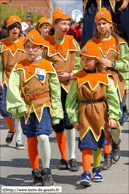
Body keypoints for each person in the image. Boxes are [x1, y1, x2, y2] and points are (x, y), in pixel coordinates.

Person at [6, 29, 63, 186]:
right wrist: (19, 105)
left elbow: (55, 91)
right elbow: (13, 87)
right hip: (26, 107)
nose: (31, 50)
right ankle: (35, 172)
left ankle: (46, 171)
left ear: (41, 49)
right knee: (31, 139)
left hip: (44, 105)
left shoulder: (48, 66)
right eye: (28, 47)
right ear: (25, 48)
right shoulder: (19, 66)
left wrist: (56, 112)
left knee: (43, 136)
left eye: (35, 47)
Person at [66, 41, 122, 187]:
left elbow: (112, 98)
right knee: (86, 144)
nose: (84, 62)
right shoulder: (77, 77)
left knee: (98, 143)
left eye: (88, 59)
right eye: (82, 58)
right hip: (84, 114)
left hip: (101, 114)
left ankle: (96, 170)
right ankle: (86, 173)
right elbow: (71, 100)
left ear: (96, 60)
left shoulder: (105, 76)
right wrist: (73, 118)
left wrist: (113, 116)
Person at [90, 7, 129, 169]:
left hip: (115, 82)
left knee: (117, 120)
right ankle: (106, 154)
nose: (102, 27)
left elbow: (126, 64)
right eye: (99, 24)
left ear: (110, 24)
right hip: (98, 83)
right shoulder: (91, 43)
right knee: (102, 120)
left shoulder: (120, 43)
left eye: (104, 23)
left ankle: (116, 142)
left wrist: (111, 64)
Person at [43, 8, 81, 171]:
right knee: (57, 123)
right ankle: (63, 157)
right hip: (52, 89)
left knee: (70, 122)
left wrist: (70, 74)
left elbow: (81, 64)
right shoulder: (45, 44)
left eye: (68, 23)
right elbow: (39, 66)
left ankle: (72, 157)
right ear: (55, 25)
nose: (66, 27)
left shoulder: (73, 42)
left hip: (69, 87)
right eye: (63, 24)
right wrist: (51, 77)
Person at [0, 15, 26, 149]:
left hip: (21, 79)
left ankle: (19, 139)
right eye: (12, 28)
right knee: (4, 109)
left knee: (17, 110)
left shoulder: (25, 42)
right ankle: (11, 129)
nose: (15, 30)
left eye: (17, 27)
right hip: (6, 77)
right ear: (8, 30)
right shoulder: (2, 44)